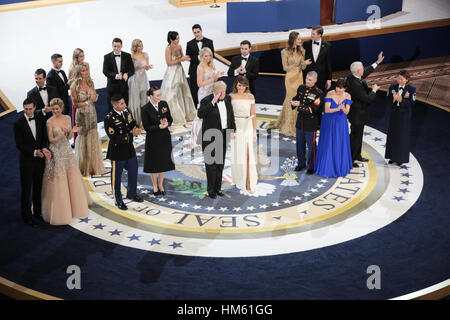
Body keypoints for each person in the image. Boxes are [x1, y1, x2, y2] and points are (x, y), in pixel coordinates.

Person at [41, 98, 92, 225]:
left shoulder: (68, 118)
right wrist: (61, 135)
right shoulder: (49, 121)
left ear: (61, 108)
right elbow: (51, 140)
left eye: (57, 109)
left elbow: (69, 137)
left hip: (67, 150)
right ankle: (61, 211)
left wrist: (71, 132)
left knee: (72, 176)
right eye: (52, 109)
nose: (55, 111)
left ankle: (75, 206)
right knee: (59, 179)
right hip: (56, 152)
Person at [13, 98, 51, 227]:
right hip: (27, 162)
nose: (28, 111)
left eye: (30, 109)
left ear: (35, 108)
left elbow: (44, 139)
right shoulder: (18, 124)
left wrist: (44, 148)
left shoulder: (40, 120)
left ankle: (37, 212)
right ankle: (26, 216)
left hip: (40, 161)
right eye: (26, 109)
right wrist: (35, 152)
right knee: (26, 189)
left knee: (38, 187)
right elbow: (20, 145)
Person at [267, 32, 312, 136]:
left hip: (299, 77)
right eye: (298, 39)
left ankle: (296, 124)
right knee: (291, 99)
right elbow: (285, 67)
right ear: (293, 40)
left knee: (298, 98)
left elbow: (302, 67)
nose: (301, 41)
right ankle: (288, 124)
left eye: (300, 39)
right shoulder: (285, 52)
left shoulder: (302, 51)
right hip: (290, 78)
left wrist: (304, 63)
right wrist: (295, 64)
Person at [104, 94, 143, 210]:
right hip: (118, 151)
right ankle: (118, 200)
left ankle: (131, 193)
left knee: (133, 171)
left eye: (124, 102)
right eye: (121, 103)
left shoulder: (127, 111)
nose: (124, 105)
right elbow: (115, 138)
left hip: (129, 149)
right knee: (117, 177)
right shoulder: (109, 119)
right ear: (114, 106)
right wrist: (131, 134)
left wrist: (136, 128)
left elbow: (131, 123)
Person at [198, 81, 236, 199]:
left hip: (224, 136)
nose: (223, 94)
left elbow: (231, 116)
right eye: (220, 92)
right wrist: (213, 102)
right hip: (210, 137)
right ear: (214, 92)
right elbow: (200, 114)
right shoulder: (206, 100)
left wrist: (232, 130)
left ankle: (218, 188)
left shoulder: (228, 99)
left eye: (224, 91)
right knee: (211, 165)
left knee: (220, 164)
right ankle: (211, 190)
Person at [346, 52, 384, 168]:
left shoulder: (354, 76)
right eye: (362, 68)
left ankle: (357, 155)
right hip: (357, 114)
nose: (364, 69)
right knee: (355, 136)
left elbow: (367, 71)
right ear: (358, 71)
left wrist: (377, 62)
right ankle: (351, 159)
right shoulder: (355, 84)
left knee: (359, 135)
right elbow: (367, 99)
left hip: (360, 114)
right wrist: (374, 90)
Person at [70, 63, 106, 176]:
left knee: (93, 137)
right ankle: (83, 167)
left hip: (92, 113)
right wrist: (88, 101)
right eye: (83, 71)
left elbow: (93, 96)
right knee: (84, 138)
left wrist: (94, 97)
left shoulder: (91, 82)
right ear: (78, 72)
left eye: (86, 70)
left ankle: (93, 166)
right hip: (81, 116)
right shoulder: (74, 86)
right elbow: (75, 104)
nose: (85, 73)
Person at [315, 78, 353, 178]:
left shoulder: (348, 96)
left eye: (341, 88)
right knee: (329, 142)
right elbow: (327, 110)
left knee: (339, 142)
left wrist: (344, 108)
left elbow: (347, 112)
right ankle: (327, 166)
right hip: (329, 122)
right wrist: (338, 108)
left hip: (341, 123)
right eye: (337, 87)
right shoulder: (330, 94)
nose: (338, 90)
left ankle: (339, 166)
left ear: (345, 88)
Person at [141, 86, 175, 196]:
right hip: (153, 139)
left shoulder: (163, 104)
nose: (160, 97)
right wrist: (159, 126)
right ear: (151, 96)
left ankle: (160, 184)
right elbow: (147, 127)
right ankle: (154, 186)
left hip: (164, 137)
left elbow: (170, 118)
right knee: (153, 163)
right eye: (157, 95)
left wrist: (167, 123)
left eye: (160, 94)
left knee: (163, 162)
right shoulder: (145, 109)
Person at [189, 47, 224, 149]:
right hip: (204, 93)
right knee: (201, 115)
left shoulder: (211, 65)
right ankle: (196, 139)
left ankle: (210, 136)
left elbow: (213, 79)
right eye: (205, 56)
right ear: (201, 56)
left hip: (212, 92)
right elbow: (199, 84)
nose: (208, 58)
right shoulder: (200, 67)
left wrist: (217, 76)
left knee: (212, 114)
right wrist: (212, 78)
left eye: (209, 56)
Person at [160, 31, 196, 126]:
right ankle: (174, 116)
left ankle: (185, 114)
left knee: (182, 91)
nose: (178, 40)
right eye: (176, 38)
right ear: (171, 39)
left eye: (178, 38)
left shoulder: (179, 46)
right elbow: (169, 62)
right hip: (172, 71)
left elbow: (181, 57)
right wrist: (181, 59)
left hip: (179, 70)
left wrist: (185, 58)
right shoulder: (168, 49)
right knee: (172, 92)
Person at [291, 71, 323, 174]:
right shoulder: (301, 88)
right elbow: (296, 98)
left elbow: (312, 109)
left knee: (311, 147)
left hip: (311, 124)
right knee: (299, 145)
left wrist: (299, 105)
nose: (307, 81)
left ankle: (311, 166)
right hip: (300, 122)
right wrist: (293, 101)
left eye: (310, 80)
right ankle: (301, 164)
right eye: (306, 79)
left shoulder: (318, 93)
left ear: (315, 80)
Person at [230, 76, 258, 193]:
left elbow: (253, 114)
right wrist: (230, 130)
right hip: (236, 126)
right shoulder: (231, 96)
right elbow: (228, 115)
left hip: (247, 126)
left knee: (248, 154)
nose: (241, 88)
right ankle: (238, 178)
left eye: (243, 85)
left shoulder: (250, 96)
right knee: (238, 154)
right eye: (239, 85)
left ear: (246, 85)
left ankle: (248, 183)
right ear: (236, 85)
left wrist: (255, 131)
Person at [385, 70, 416, 166]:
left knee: (402, 137)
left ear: (407, 80)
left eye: (401, 79)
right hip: (394, 115)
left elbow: (412, 103)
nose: (399, 80)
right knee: (392, 135)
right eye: (398, 78)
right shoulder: (392, 87)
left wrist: (401, 100)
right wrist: (393, 100)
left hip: (404, 116)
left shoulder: (411, 89)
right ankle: (391, 156)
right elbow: (387, 99)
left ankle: (400, 159)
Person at [186, 24, 215, 107]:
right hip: (194, 70)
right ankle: (196, 108)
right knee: (194, 89)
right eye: (194, 32)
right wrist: (199, 57)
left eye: (198, 32)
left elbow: (213, 56)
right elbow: (189, 58)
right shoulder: (189, 43)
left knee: (208, 88)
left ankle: (209, 106)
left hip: (207, 70)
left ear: (201, 31)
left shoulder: (209, 41)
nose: (196, 34)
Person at [103, 38, 135, 111]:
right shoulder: (107, 57)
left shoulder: (127, 56)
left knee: (125, 107)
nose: (116, 48)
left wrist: (127, 74)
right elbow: (105, 71)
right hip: (112, 88)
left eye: (118, 46)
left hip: (124, 87)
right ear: (112, 46)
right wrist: (116, 76)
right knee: (111, 108)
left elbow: (132, 70)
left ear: (121, 46)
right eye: (115, 46)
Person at [128, 39, 152, 128]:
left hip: (143, 78)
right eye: (139, 46)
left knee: (144, 99)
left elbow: (146, 68)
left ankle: (145, 121)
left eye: (142, 45)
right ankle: (136, 122)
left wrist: (148, 67)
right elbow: (131, 70)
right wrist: (142, 66)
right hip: (134, 78)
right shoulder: (132, 56)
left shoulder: (145, 54)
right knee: (135, 101)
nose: (141, 47)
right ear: (135, 47)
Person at [302, 25, 332, 92]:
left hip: (321, 77)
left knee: (319, 98)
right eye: (311, 33)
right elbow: (301, 59)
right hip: (308, 77)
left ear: (319, 35)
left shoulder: (327, 46)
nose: (311, 35)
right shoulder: (306, 44)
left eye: (313, 34)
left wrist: (329, 79)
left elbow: (328, 63)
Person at [68, 48, 90, 137]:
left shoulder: (86, 64)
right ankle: (78, 140)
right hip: (77, 95)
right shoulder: (72, 67)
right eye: (80, 56)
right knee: (78, 118)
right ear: (76, 57)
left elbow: (89, 77)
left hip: (86, 93)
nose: (82, 58)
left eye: (83, 55)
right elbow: (69, 83)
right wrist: (78, 80)